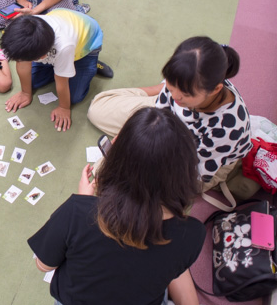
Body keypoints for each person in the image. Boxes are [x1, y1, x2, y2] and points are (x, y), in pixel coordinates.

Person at [29, 107, 206, 305]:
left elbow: (43, 265)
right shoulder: (193, 233)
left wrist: (82, 201)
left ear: (118, 160)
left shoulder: (77, 211)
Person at [87, 36, 258, 199]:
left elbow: (194, 174)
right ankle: (156, 90)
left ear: (215, 90)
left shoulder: (226, 129)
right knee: (97, 110)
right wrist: (132, 137)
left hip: (189, 159)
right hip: (166, 127)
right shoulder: (185, 86)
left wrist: (142, 158)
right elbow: (157, 114)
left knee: (144, 189)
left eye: (184, 93)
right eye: (170, 84)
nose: (175, 95)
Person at [0, 9, 103, 131]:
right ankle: (63, 66)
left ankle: (92, 64)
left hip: (86, 49)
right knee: (31, 83)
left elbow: (62, 82)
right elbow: (22, 65)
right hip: (59, 37)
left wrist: (64, 107)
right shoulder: (22, 31)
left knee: (74, 97)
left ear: (42, 56)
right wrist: (25, 93)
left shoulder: (64, 46)